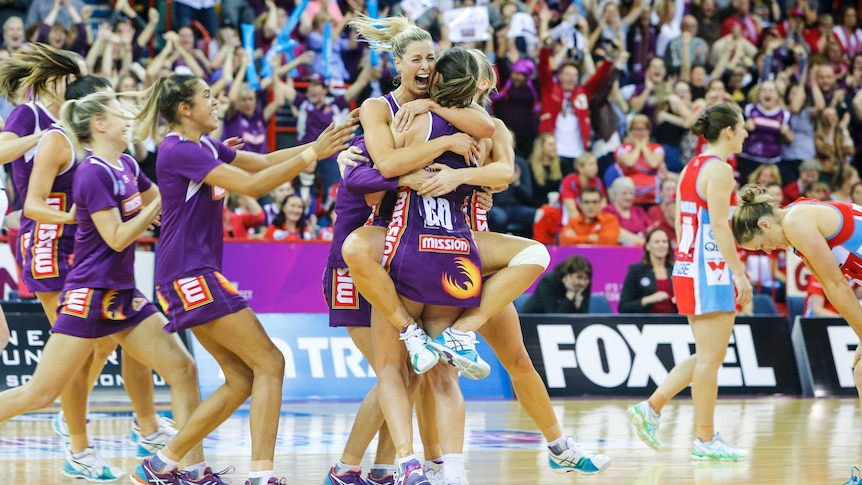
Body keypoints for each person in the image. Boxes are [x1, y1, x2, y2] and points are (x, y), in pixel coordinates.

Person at [130, 73, 357, 485]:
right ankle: (260, 476)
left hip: (187, 273)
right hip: (189, 273)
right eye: (206, 96)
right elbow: (254, 185)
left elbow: (264, 162)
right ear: (185, 109)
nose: (215, 102)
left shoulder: (201, 146)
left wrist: (323, 143)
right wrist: (313, 156)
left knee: (241, 378)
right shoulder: (179, 150)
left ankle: (162, 465)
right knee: (270, 362)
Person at [0, 91, 207, 484]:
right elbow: (115, 237)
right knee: (40, 393)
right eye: (119, 115)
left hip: (123, 294)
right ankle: (92, 443)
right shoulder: (92, 172)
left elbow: (161, 204)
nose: (129, 120)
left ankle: (191, 469)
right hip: (90, 294)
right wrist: (158, 203)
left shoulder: (127, 164)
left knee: (183, 369)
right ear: (99, 125)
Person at [627, 102, 752, 461]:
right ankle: (705, 439)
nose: (744, 134)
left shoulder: (689, 168)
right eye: (741, 128)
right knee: (711, 360)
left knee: (706, 356)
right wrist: (738, 272)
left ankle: (651, 407)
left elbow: (682, 226)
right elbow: (718, 225)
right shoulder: (721, 169)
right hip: (708, 268)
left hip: (686, 265)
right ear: (728, 131)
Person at [729, 183, 862, 484]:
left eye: (760, 245)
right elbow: (834, 285)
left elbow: (838, 286)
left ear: (764, 224)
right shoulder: (796, 229)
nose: (767, 250)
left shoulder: (796, 222)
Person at [618, 228, 677, 314]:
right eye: (657, 242)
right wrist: (649, 299)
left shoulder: (676, 271)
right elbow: (623, 307)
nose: (661, 245)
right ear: (648, 246)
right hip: (646, 323)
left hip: (676, 323)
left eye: (665, 242)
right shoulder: (636, 271)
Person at [522, 256, 593, 313]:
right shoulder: (549, 281)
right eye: (579, 277)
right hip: (532, 323)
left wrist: (578, 299)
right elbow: (555, 318)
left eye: (586, 278)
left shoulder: (584, 285)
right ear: (567, 275)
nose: (582, 282)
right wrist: (570, 294)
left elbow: (583, 319)